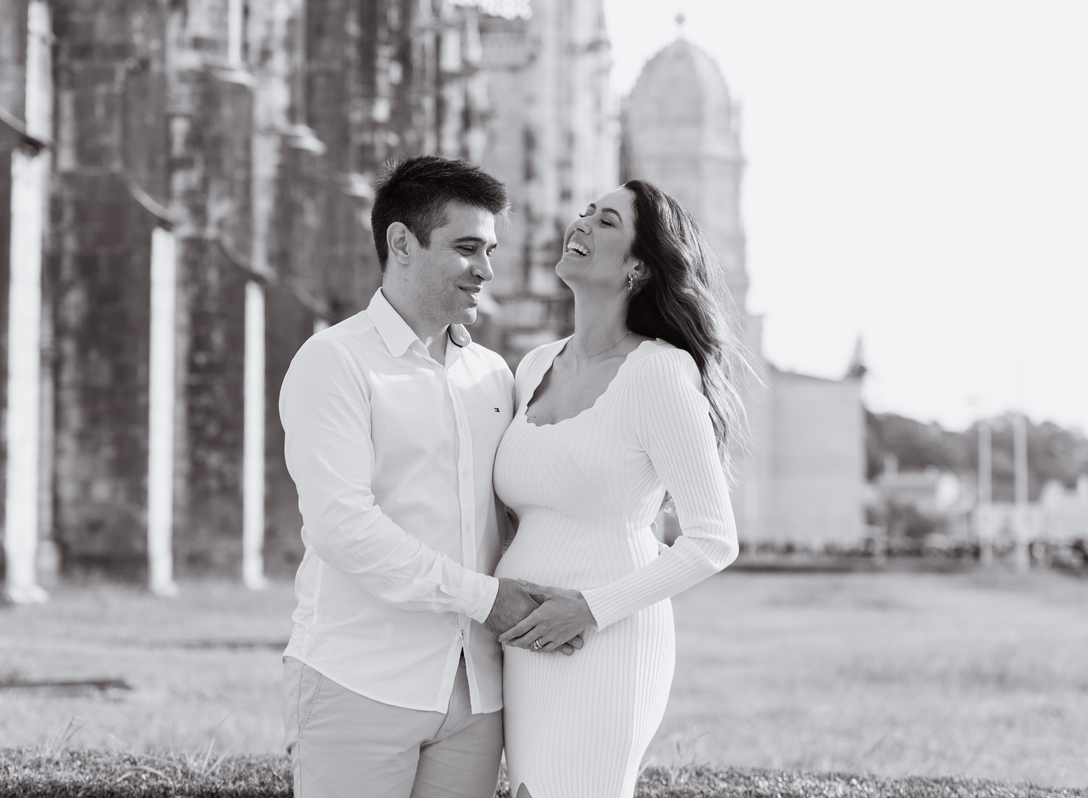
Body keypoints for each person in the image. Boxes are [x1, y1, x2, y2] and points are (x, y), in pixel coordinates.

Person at [278, 155, 576, 798]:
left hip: (478, 695)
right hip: (360, 680)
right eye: (467, 248)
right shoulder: (334, 361)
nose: (486, 270)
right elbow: (341, 528)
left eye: (490, 250)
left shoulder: (494, 374)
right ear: (402, 243)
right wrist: (484, 599)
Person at [492, 180, 751, 798]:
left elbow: (714, 540)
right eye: (585, 211)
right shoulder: (534, 366)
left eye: (606, 221)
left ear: (639, 267)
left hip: (607, 641)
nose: (580, 223)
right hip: (525, 642)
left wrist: (589, 608)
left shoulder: (659, 371)